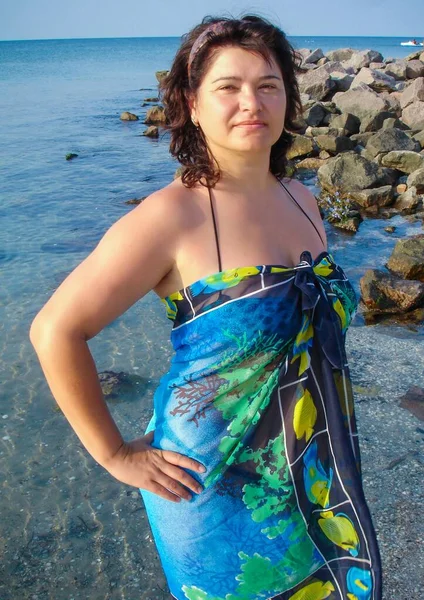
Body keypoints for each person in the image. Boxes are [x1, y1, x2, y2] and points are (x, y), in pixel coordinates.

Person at [30, 14, 383, 600]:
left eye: (268, 85)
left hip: (315, 470)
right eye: (228, 87)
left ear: (289, 100)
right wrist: (115, 454)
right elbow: (55, 330)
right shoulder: (172, 217)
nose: (252, 102)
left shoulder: (304, 201)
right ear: (193, 104)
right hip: (209, 487)